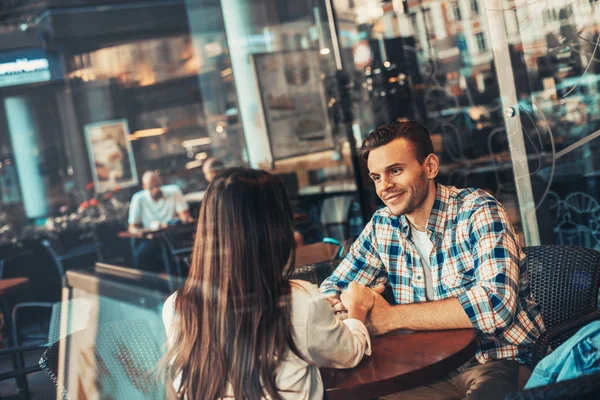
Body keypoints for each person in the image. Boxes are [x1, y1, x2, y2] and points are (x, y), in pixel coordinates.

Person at [320, 121, 545, 400]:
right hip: (426, 368)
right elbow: (331, 291)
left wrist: (390, 317)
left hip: (498, 360)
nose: (385, 186)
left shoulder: (477, 211)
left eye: (395, 171)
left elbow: (495, 306)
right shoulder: (383, 225)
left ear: (430, 167)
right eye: (376, 177)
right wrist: (352, 301)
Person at [161, 168, 375, 399]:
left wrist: (319, 313)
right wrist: (358, 308)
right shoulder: (297, 299)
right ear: (275, 227)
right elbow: (349, 353)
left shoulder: (176, 305)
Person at [128, 171, 192, 271]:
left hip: (173, 236)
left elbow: (185, 217)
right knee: (141, 256)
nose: (156, 189)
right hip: (151, 238)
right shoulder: (138, 199)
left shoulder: (173, 191)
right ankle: (149, 284)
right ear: (144, 187)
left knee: (178, 258)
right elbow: (132, 227)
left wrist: (172, 224)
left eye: (158, 185)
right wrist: (142, 232)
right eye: (151, 187)